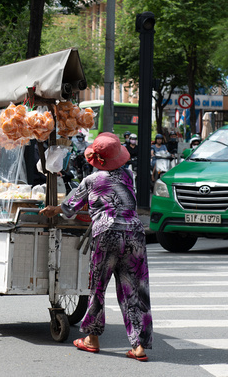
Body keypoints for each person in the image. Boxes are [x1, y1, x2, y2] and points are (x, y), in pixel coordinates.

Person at [39, 133, 153, 361]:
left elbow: (70, 206)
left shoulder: (91, 181)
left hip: (107, 234)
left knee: (98, 288)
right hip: (134, 233)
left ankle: (91, 339)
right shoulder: (128, 175)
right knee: (134, 289)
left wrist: (54, 209)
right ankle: (139, 346)